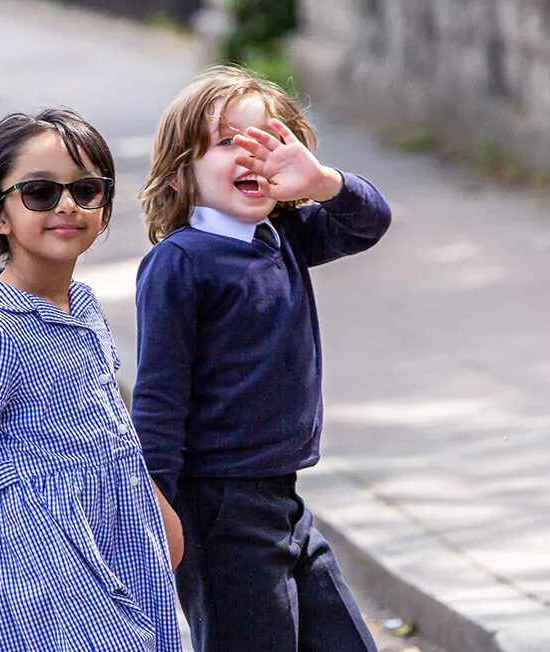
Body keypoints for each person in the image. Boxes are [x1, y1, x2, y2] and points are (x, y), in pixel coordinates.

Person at [0, 108, 183, 652]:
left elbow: (108, 424)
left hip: (112, 540)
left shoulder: (83, 304)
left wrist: (156, 511)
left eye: (87, 190)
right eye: (40, 192)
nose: (67, 205)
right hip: (35, 569)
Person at [132, 65, 392, 652]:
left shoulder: (286, 235)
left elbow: (369, 222)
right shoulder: (181, 263)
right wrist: (159, 502)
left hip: (282, 495)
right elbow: (159, 395)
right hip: (220, 504)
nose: (251, 155)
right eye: (228, 142)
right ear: (182, 174)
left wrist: (323, 182)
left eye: (267, 141)